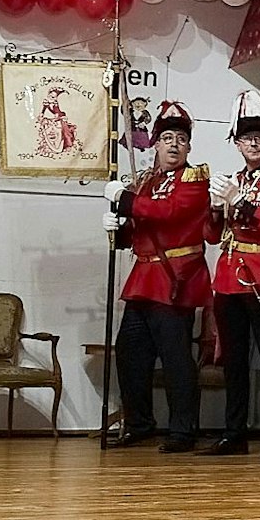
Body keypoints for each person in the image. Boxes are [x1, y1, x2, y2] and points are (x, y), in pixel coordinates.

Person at [104, 101, 211, 452]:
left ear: (189, 147)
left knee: (176, 359)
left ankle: (183, 430)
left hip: (174, 279)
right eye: (167, 138)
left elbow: (169, 213)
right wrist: (118, 228)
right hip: (143, 279)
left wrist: (126, 201)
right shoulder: (146, 182)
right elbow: (139, 230)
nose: (174, 144)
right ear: (156, 145)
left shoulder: (194, 180)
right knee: (129, 353)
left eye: (181, 138)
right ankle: (140, 423)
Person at [201, 92, 260, 460]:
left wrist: (241, 202)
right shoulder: (230, 179)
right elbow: (212, 235)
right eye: (245, 138)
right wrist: (214, 206)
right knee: (234, 360)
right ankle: (234, 431)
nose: (253, 143)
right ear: (237, 143)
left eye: (259, 137)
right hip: (228, 277)